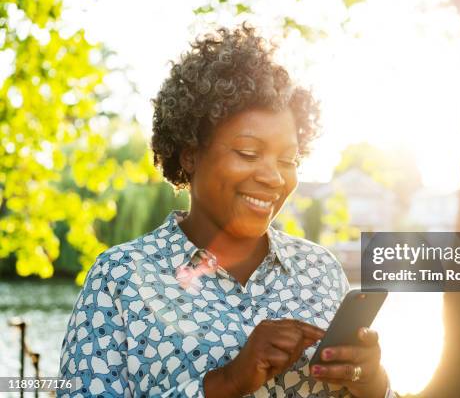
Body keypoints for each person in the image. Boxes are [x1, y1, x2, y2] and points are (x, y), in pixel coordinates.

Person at [58, 24, 393, 397]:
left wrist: (373, 382)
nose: (273, 177)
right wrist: (227, 382)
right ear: (190, 154)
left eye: (288, 159)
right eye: (249, 153)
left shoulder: (321, 271)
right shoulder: (121, 279)